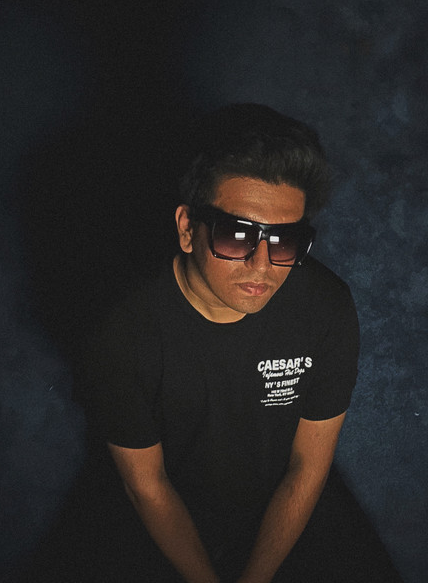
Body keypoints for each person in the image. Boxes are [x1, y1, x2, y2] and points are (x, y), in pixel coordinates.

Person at [80, 104, 402, 583]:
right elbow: (147, 486)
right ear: (187, 229)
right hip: (166, 509)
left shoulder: (325, 306)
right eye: (237, 235)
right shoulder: (123, 329)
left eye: (284, 240)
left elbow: (307, 467)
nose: (262, 265)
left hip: (284, 505)